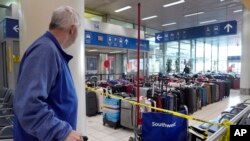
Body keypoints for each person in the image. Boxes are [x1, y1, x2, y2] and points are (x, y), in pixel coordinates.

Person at [13, 6, 84, 141]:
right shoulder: (45, 50)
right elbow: (28, 106)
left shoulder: (52, 50)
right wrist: (61, 132)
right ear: (73, 29)